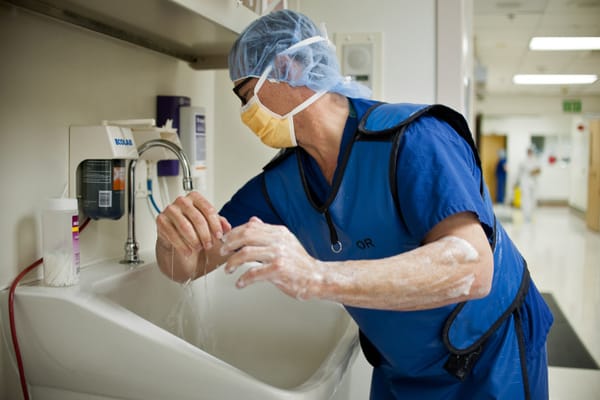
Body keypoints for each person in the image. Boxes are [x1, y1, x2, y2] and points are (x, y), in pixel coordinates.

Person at [155, 10, 553, 399]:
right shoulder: (283, 184)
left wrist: (315, 277)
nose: (246, 114)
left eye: (247, 94)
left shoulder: (413, 140)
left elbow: (473, 266)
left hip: (490, 355)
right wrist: (173, 237)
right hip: (402, 366)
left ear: (290, 67)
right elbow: (191, 265)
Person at [518, 146, 542, 222]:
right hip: (525, 183)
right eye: (529, 151)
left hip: (533, 183)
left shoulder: (536, 161)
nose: (530, 153)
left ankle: (531, 215)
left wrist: (533, 171)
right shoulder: (523, 162)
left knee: (533, 199)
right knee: (525, 199)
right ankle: (526, 215)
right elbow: (520, 173)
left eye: (531, 151)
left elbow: (538, 171)